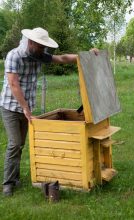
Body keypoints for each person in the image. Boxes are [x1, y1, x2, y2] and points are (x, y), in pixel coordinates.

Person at [0, 27, 98, 196]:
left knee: (20, 144)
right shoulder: (14, 56)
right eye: (40, 46)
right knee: (15, 143)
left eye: (44, 47)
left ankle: (14, 177)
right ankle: (8, 184)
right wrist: (25, 108)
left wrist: (85, 55)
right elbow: (14, 84)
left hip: (26, 108)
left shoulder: (39, 55)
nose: (43, 50)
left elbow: (62, 58)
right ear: (31, 43)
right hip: (11, 106)